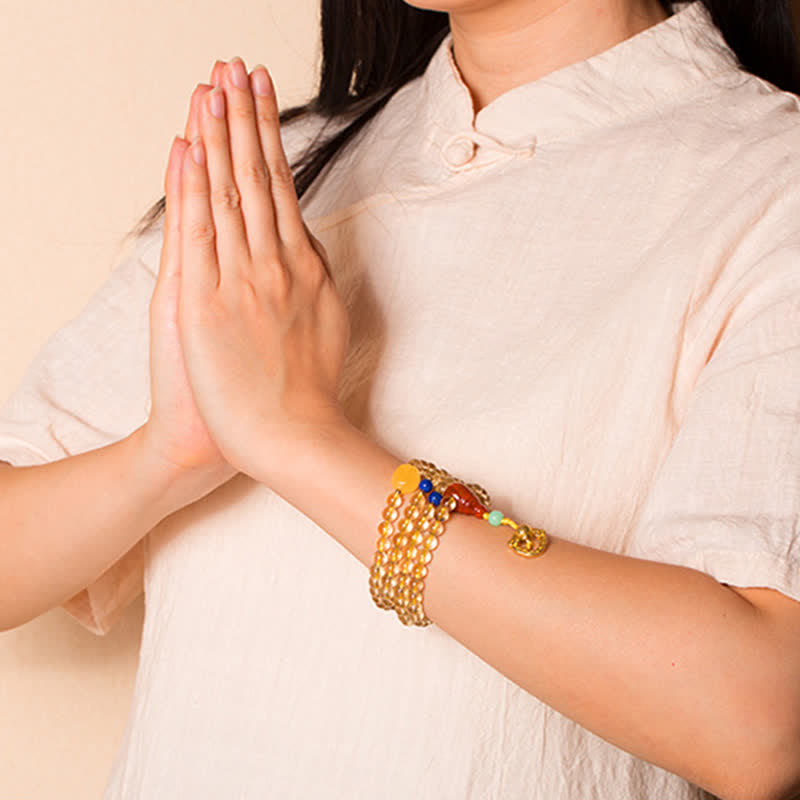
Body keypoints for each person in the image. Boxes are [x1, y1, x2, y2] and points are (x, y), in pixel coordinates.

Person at [1, 0, 799, 797]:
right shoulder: (278, 174)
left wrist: (299, 440)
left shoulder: (767, 182)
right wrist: (171, 454)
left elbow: (756, 722)